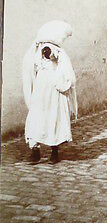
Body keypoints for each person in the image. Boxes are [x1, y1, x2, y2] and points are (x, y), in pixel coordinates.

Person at [22, 21, 77, 164]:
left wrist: (52, 57)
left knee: (53, 116)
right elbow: (30, 67)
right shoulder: (36, 50)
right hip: (41, 89)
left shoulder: (59, 52)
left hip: (53, 89)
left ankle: (54, 151)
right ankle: (35, 151)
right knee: (36, 117)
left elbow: (67, 73)